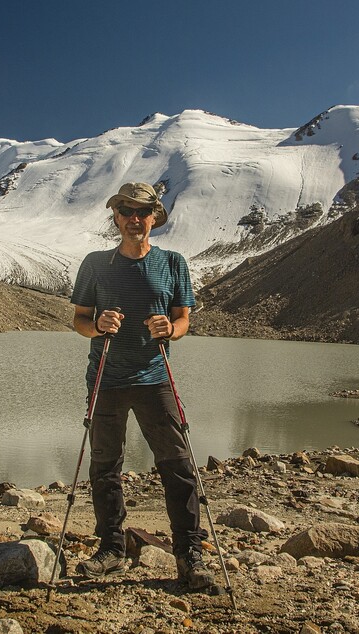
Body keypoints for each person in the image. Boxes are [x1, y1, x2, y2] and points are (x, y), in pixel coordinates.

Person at [70, 182, 215, 590]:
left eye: (142, 212)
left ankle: (189, 554)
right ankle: (112, 549)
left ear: (156, 217)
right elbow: (79, 320)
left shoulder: (173, 263)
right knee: (105, 466)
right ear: (115, 217)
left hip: (156, 379)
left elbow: (184, 320)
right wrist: (96, 326)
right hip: (106, 377)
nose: (134, 219)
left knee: (179, 466)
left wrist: (171, 329)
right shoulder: (96, 264)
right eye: (126, 211)